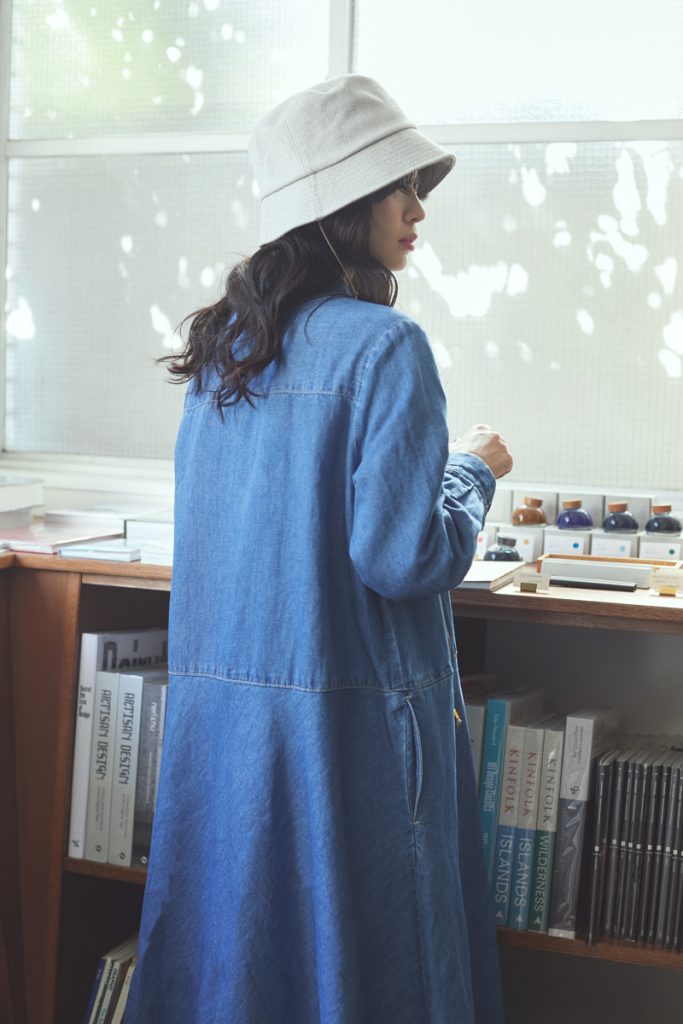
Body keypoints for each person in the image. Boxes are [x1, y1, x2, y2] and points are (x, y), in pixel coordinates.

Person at [126, 74, 511, 1024]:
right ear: (341, 205)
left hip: (228, 735)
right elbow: (403, 558)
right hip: (352, 735)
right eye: (398, 187)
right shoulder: (386, 346)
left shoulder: (223, 351)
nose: (417, 208)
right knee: (374, 967)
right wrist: (471, 474)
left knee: (243, 964)